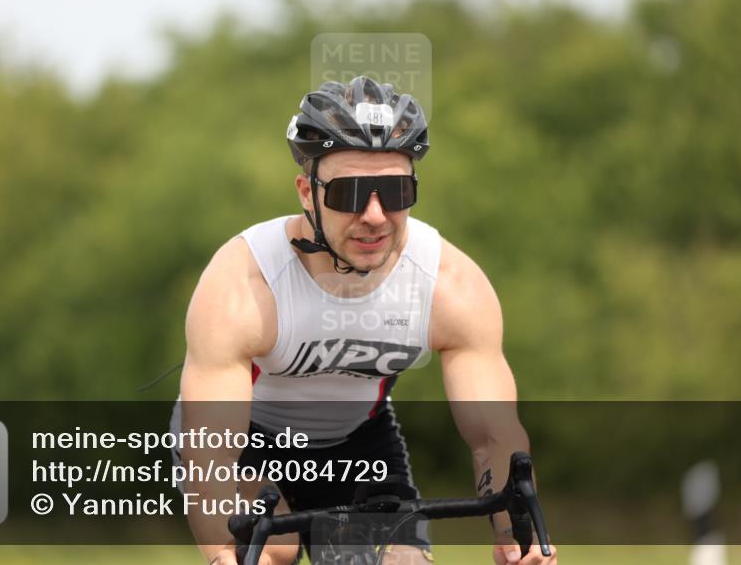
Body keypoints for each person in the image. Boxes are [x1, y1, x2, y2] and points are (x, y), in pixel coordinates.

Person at [172, 76, 557, 565]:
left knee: (401, 561)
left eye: (395, 191)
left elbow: (495, 436)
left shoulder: (449, 286)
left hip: (360, 441)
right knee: (272, 553)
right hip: (246, 444)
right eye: (351, 193)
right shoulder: (246, 284)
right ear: (307, 193)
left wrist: (516, 535)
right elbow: (213, 451)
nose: (375, 215)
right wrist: (225, 552)